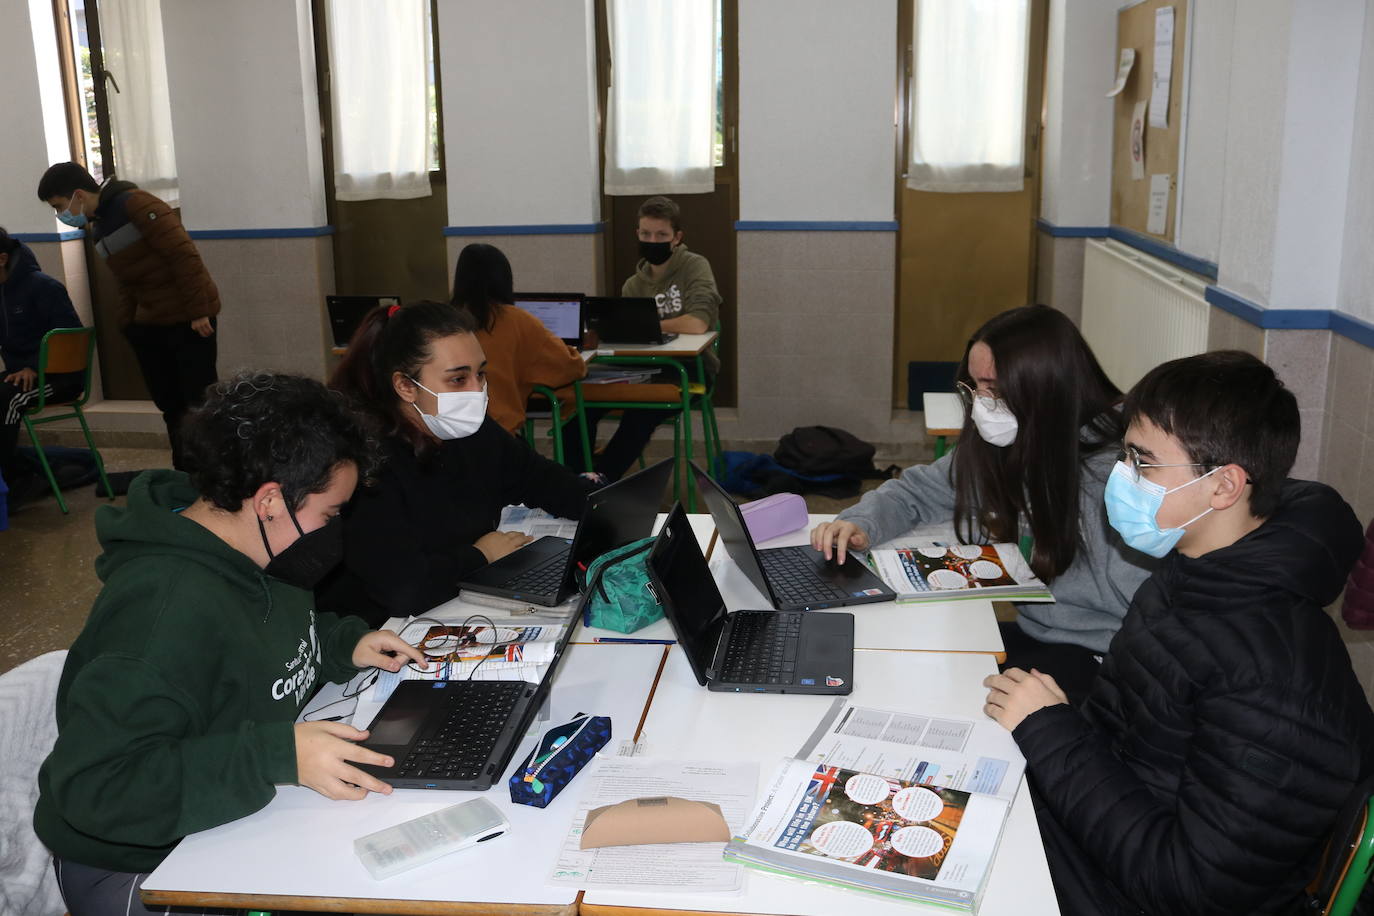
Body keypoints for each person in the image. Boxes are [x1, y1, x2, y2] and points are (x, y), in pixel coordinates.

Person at [982, 350, 1374, 916]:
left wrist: (1052, 733)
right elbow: (1136, 742)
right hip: (1103, 845)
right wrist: (1057, 726)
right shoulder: (1193, 574)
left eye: (1143, 462)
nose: (1122, 478)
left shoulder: (1272, 673)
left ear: (1224, 488)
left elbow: (1192, 889)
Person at [33, 370, 429, 916]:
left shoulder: (259, 552)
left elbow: (274, 651)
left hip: (228, 817)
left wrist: (344, 644)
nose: (335, 529)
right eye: (330, 513)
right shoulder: (162, 611)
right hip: (141, 865)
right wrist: (276, 754)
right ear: (270, 500)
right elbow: (97, 788)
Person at [811, 305, 1155, 701]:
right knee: (905, 665)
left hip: (1101, 656)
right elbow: (919, 490)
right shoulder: (1010, 440)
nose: (981, 403)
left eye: (994, 387)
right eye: (973, 387)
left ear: (1043, 386)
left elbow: (1151, 616)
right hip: (1040, 631)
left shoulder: (1111, 479)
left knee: (943, 694)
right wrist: (860, 523)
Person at [322, 300, 596, 626]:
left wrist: (602, 506)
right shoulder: (366, 461)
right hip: (380, 629)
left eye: (480, 373)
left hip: (454, 602)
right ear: (405, 386)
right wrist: (482, 556)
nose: (477, 390)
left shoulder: (468, 430)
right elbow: (403, 588)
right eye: (457, 379)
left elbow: (538, 477)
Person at [37, 161, 220, 470]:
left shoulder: (137, 204)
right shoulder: (99, 224)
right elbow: (126, 281)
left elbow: (184, 257)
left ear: (78, 195)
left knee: (198, 404)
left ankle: (214, 476)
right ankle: (184, 475)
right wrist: (128, 323)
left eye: (59, 205)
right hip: (150, 325)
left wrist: (199, 312)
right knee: (170, 405)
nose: (61, 214)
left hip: (189, 320)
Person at [563, 195, 722, 480]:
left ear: (677, 237)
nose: (653, 240)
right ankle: (575, 478)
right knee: (579, 404)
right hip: (642, 366)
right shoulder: (633, 284)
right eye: (646, 233)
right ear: (637, 234)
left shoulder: (695, 266)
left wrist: (651, 325)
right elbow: (627, 338)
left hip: (690, 369)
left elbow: (698, 323)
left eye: (661, 235)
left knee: (641, 411)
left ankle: (601, 480)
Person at [450, 242, 586, 435]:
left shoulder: (442, 320)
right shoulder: (516, 320)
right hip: (498, 434)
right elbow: (570, 367)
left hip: (445, 434)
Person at [0, 227, 82, 502]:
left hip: (60, 378)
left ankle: (13, 480)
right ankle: (19, 471)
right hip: (19, 376)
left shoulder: (43, 287)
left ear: (1, 259)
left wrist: (35, 367)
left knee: (7, 399)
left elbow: (71, 341)